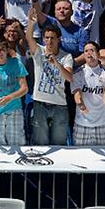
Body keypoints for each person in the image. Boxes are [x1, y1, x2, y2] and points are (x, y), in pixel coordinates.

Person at [25, 8, 73, 146]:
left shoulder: (66, 56)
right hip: (40, 102)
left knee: (59, 143)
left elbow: (69, 77)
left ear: (59, 39)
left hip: (60, 105)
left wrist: (56, 63)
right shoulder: (39, 51)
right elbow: (28, 38)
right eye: (47, 38)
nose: (49, 41)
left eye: (52, 38)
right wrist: (31, 23)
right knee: (41, 142)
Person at [0, 39, 28, 145]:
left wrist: (10, 97)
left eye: (2, 49)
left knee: (17, 145)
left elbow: (24, 88)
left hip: (14, 109)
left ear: (7, 50)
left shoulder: (17, 63)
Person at [71, 42, 105, 146]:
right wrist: (81, 105)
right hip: (82, 124)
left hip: (102, 124)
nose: (89, 53)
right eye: (86, 51)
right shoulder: (78, 73)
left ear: (98, 53)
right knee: (79, 158)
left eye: (92, 50)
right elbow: (77, 94)